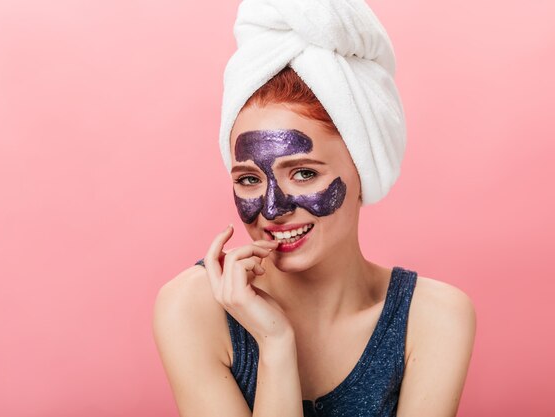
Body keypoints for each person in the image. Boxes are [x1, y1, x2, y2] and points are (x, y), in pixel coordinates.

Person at [153, 2, 476, 417]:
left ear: (362, 168)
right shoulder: (195, 306)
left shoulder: (433, 317)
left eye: (303, 173)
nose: (272, 208)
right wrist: (274, 344)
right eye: (249, 179)